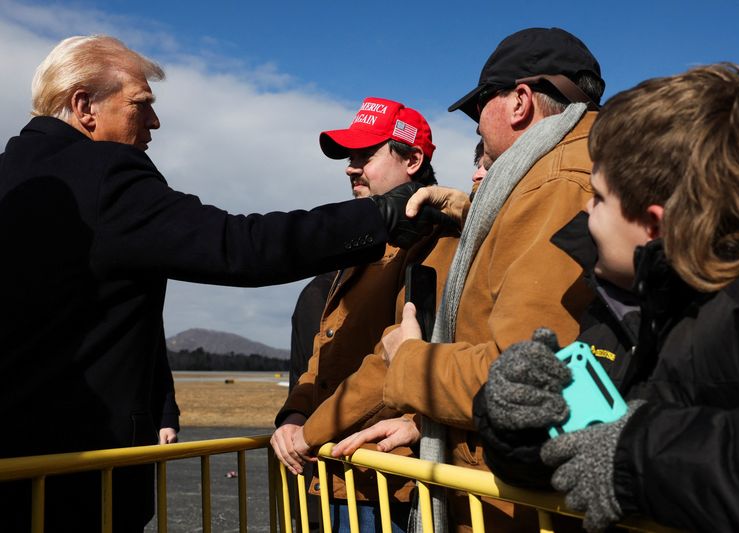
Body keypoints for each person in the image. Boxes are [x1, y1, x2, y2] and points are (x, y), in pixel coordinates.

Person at [0, 36, 455, 532]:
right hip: (77, 479)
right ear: (84, 106)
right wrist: (382, 215)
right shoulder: (102, 174)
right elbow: (241, 245)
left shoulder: (14, 175)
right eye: (141, 105)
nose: (153, 122)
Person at [480, 58, 739, 531]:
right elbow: (574, 461)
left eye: (599, 197)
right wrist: (512, 421)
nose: (586, 211)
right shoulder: (623, 305)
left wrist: (635, 458)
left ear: (654, 225)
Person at [337, 28, 605, 532]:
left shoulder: (557, 183)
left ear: (520, 102)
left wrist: (410, 361)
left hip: (516, 505)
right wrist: (472, 212)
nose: (478, 129)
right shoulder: (577, 171)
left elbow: (521, 375)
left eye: (481, 105)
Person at [270, 97, 460, 532]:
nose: (350, 168)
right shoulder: (369, 239)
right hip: (334, 470)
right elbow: (327, 344)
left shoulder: (435, 238)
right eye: (349, 157)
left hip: (386, 483)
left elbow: (396, 353)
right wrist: (296, 413)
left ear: (413, 160)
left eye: (365, 155)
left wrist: (309, 432)